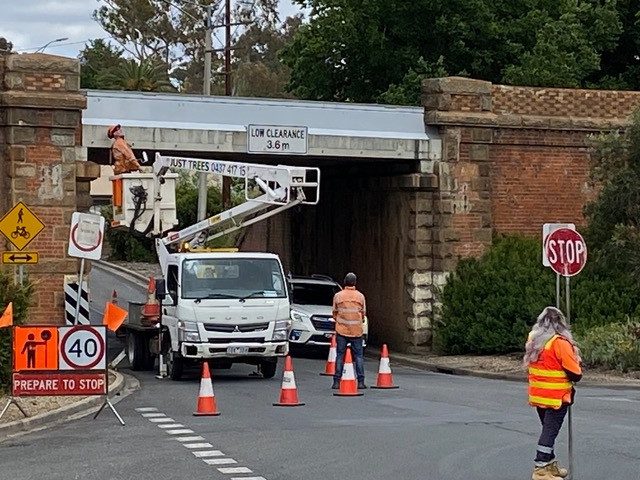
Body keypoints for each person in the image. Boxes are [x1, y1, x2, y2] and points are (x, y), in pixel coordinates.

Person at [524, 307, 582, 480]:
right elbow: (575, 374)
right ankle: (540, 468)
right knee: (550, 431)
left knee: (547, 430)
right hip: (557, 396)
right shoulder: (559, 342)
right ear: (561, 323)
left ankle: (549, 466)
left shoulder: (533, 339)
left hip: (538, 394)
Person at [332, 272, 367, 389]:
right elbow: (363, 314)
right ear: (355, 283)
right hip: (356, 331)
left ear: (344, 282)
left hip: (342, 330)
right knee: (358, 357)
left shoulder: (338, 296)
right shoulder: (360, 296)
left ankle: (336, 381)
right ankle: (361, 382)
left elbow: (334, 313)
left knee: (340, 355)